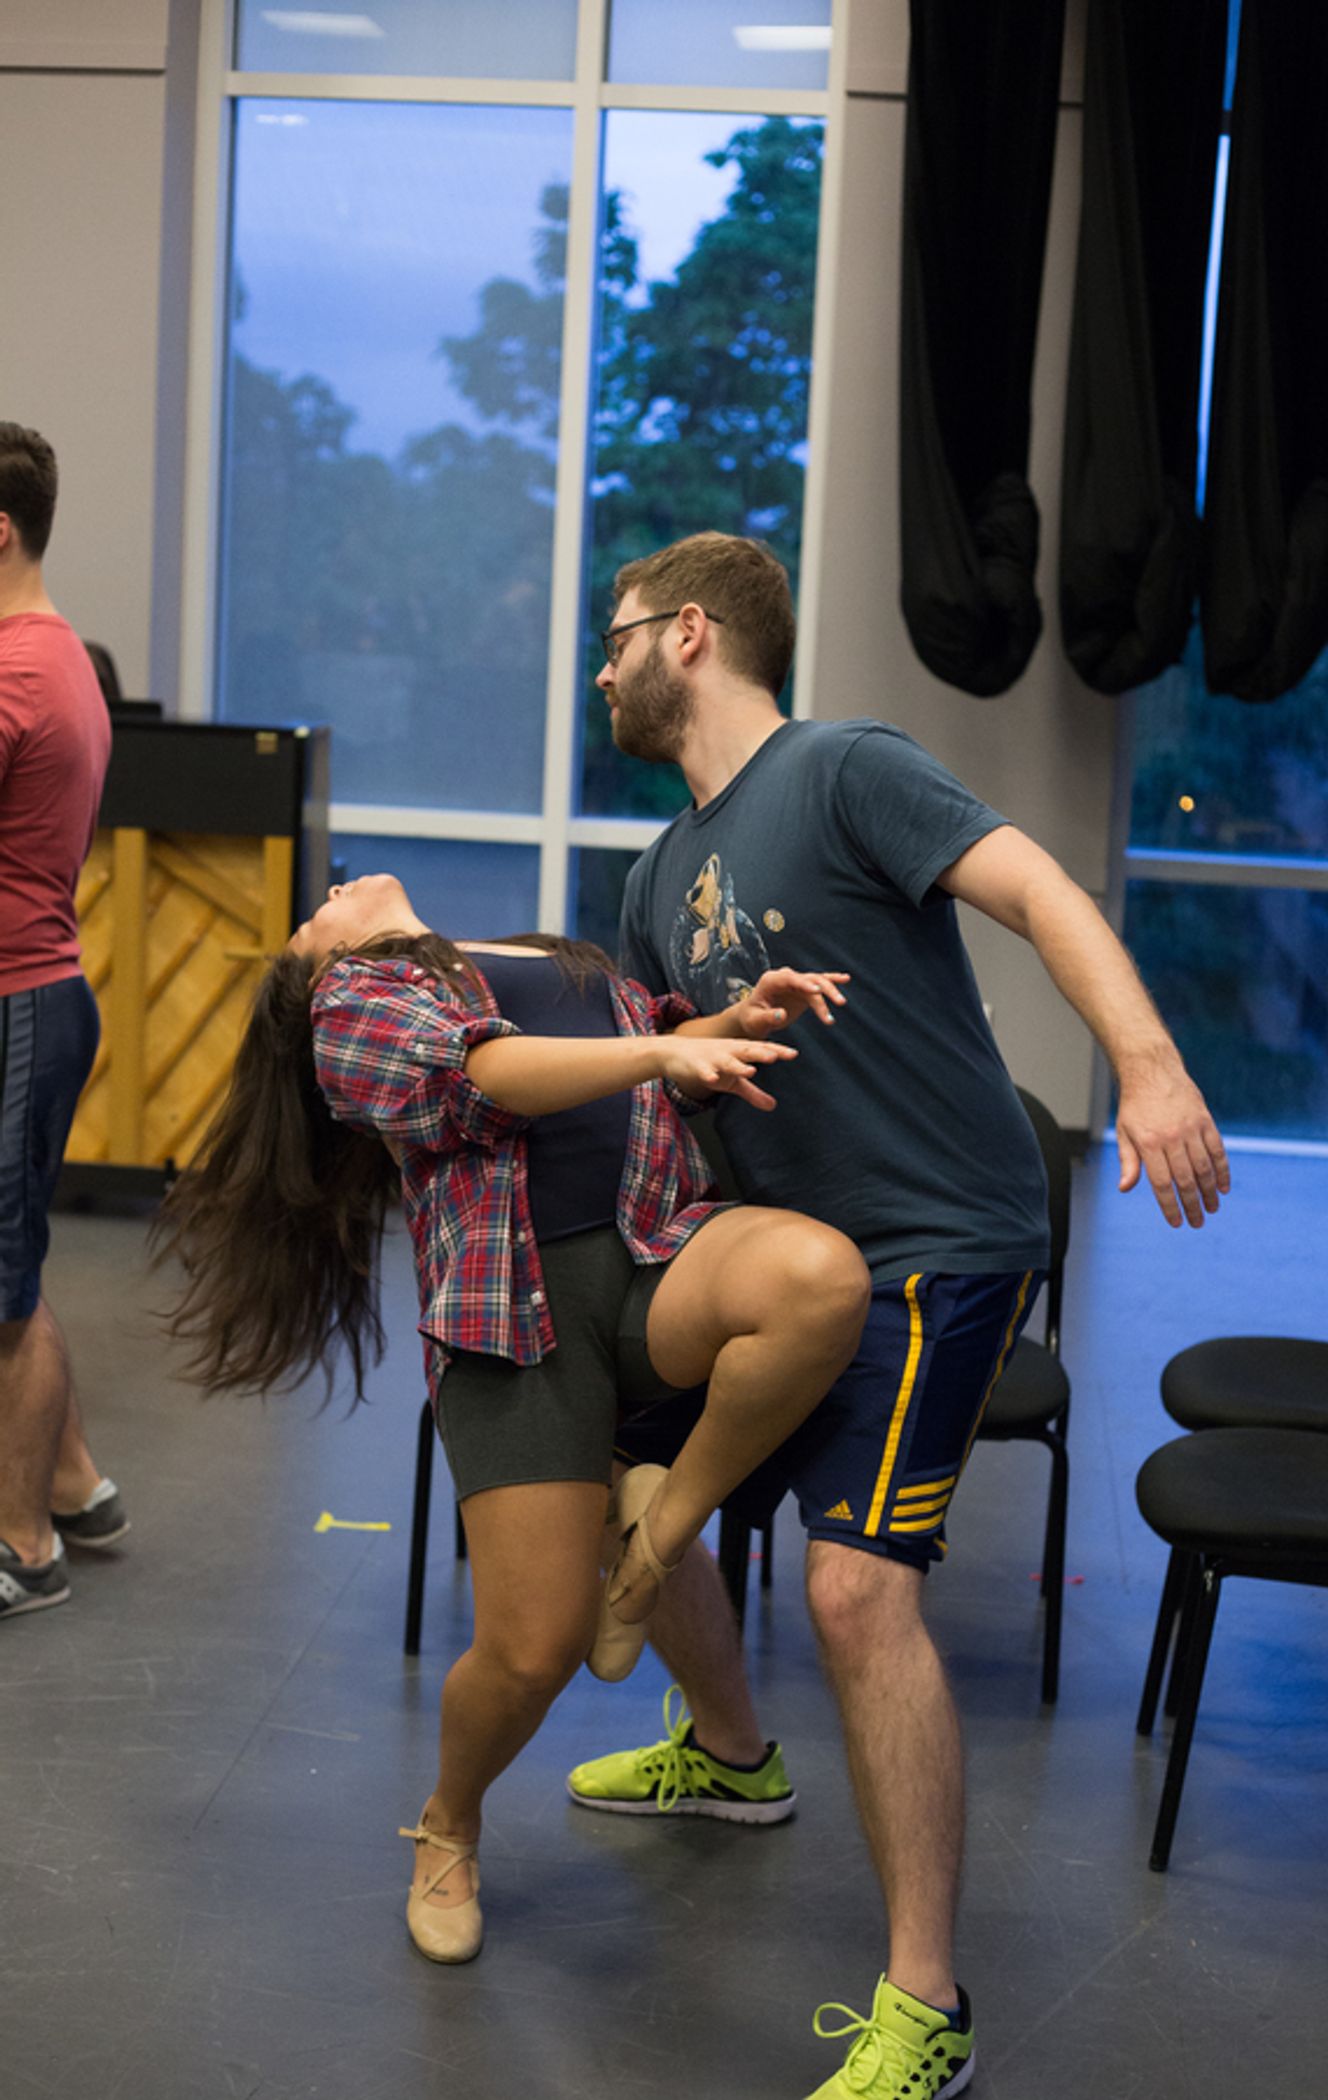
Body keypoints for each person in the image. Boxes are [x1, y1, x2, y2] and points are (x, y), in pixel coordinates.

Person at [568, 532, 1232, 2100]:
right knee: (588, 1420)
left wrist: (1147, 1064)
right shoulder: (658, 879)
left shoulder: (843, 768)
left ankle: (926, 2008)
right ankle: (730, 1755)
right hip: (787, 1249)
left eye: (613, 638)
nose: (598, 668)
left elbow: (1036, 888)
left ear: (691, 637)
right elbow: (684, 1085)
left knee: (858, 1596)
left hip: (941, 1242)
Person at [158, 871, 869, 1964]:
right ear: (315, 970)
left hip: (655, 1254)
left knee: (820, 1278)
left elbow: (651, 1091)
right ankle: (448, 1823)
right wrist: (659, 1052)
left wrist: (731, 1023)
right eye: (310, 916)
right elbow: (485, 1078)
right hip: (514, 1320)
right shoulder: (354, 1004)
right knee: (532, 1653)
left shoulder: (534, 952)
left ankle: (653, 1541)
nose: (330, 891)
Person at [0, 423, 130, 1627]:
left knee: (2, 1287)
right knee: (12, 1269)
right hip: (35, 995)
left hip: (17, 1004)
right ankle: (76, 1484)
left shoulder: (17, 670)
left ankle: (24, 1545)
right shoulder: (56, 656)